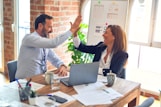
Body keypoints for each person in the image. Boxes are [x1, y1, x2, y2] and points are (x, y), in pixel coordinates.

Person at [16, 14, 82, 79]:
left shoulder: (43, 43)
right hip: (24, 82)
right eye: (49, 27)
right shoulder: (29, 38)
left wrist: (62, 65)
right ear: (40, 26)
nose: (51, 30)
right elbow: (54, 43)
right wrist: (71, 30)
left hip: (39, 80)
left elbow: (54, 58)